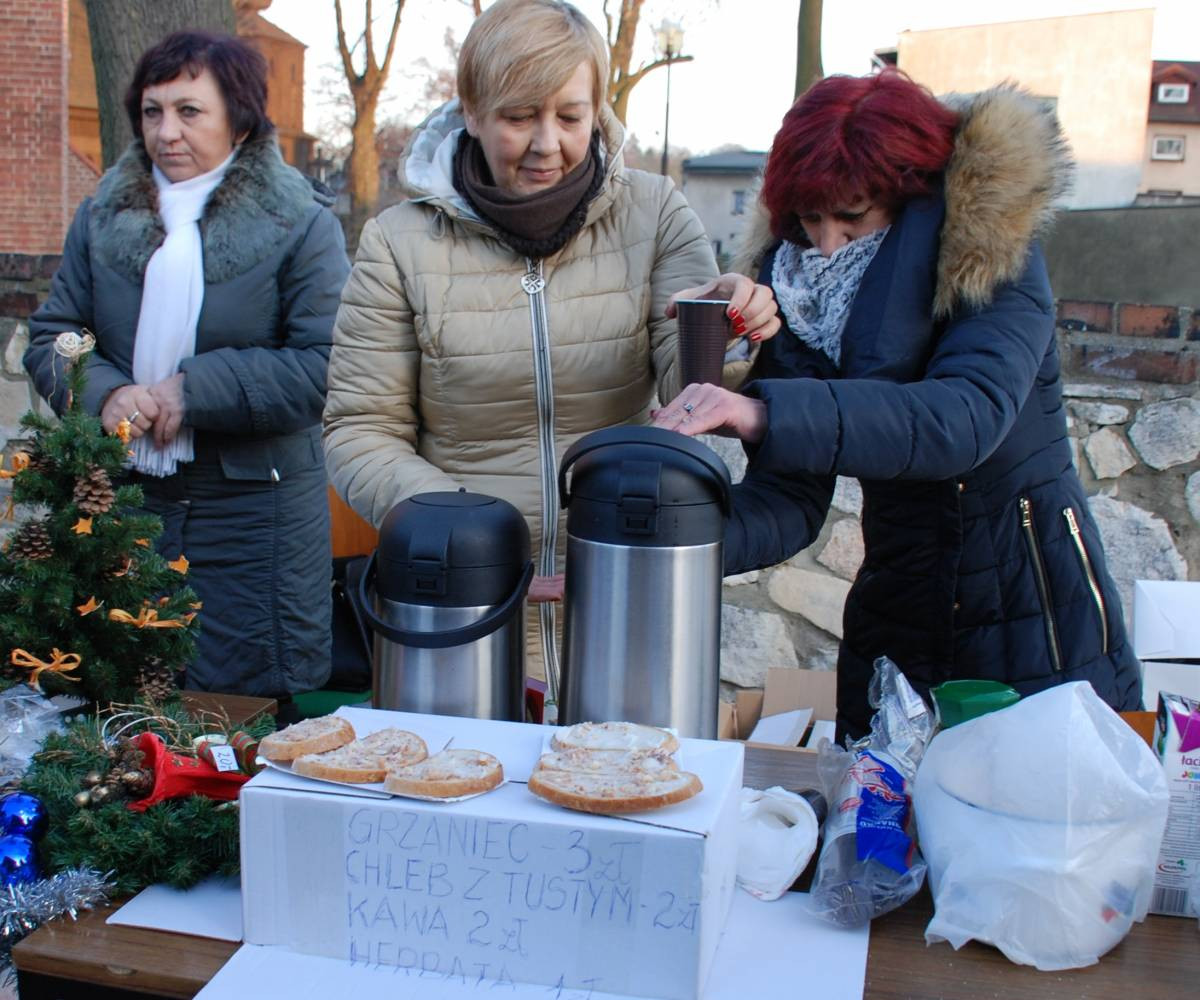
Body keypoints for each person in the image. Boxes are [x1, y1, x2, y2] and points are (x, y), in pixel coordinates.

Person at [654, 70, 1142, 740]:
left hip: (1034, 611)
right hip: (899, 603)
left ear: (910, 191)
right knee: (878, 830)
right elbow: (789, 499)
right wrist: (663, 542)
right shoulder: (794, 282)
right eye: (809, 218)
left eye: (852, 217)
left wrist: (766, 411)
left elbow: (962, 418)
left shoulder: (990, 252)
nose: (826, 244)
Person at [323, 0, 777, 699]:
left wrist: (732, 328)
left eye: (569, 116)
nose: (546, 144)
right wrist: (472, 539)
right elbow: (359, 430)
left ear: (598, 109)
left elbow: (689, 387)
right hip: (462, 602)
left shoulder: (655, 214)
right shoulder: (398, 243)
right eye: (517, 117)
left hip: (628, 587)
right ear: (470, 110)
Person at [25, 31, 350, 701]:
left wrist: (192, 390)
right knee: (118, 707)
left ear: (240, 117)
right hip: (123, 503)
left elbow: (325, 364)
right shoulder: (100, 218)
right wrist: (106, 395)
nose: (166, 130)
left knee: (233, 717)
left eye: (189, 110)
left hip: (253, 516)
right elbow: (55, 335)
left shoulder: (301, 224)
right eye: (152, 111)